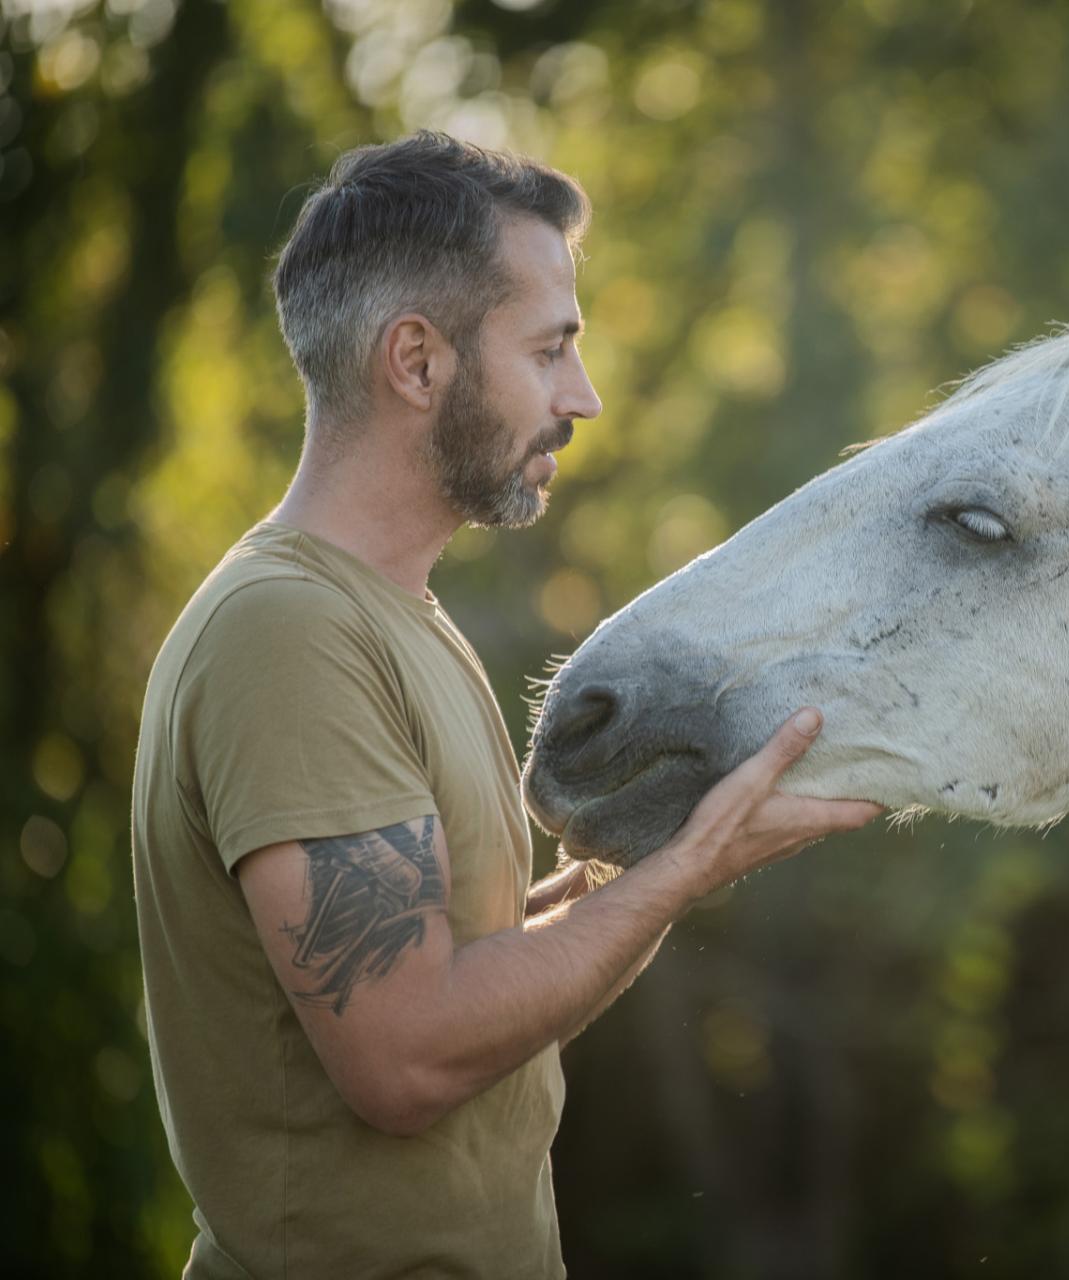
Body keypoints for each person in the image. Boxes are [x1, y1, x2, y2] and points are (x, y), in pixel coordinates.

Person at [129, 131, 881, 1278]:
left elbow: (451, 965)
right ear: (416, 361)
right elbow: (407, 1056)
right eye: (549, 349)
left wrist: (657, 861)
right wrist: (685, 874)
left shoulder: (395, 618)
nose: (583, 396)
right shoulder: (286, 634)